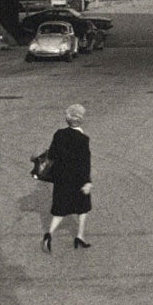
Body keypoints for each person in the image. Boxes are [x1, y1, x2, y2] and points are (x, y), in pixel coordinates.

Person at [42, 103, 92, 253]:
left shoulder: (59, 134)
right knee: (83, 208)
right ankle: (80, 236)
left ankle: (48, 234)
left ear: (67, 119)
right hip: (77, 179)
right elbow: (85, 163)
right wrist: (87, 181)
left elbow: (51, 155)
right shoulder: (83, 139)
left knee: (60, 209)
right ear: (81, 120)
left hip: (61, 178)